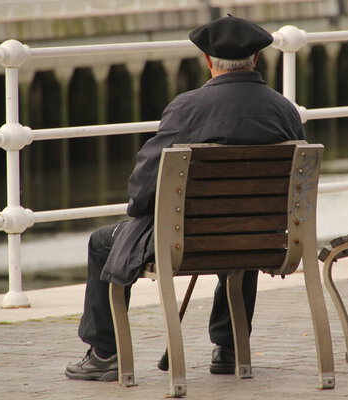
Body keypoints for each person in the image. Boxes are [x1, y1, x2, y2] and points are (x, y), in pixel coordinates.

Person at [65, 14, 306, 382]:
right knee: (247, 227)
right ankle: (229, 348)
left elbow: (142, 190)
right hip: (263, 240)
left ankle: (104, 353)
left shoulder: (187, 107)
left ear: (208, 61)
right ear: (255, 59)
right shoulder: (284, 110)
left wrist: (142, 210)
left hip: (185, 241)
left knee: (102, 242)